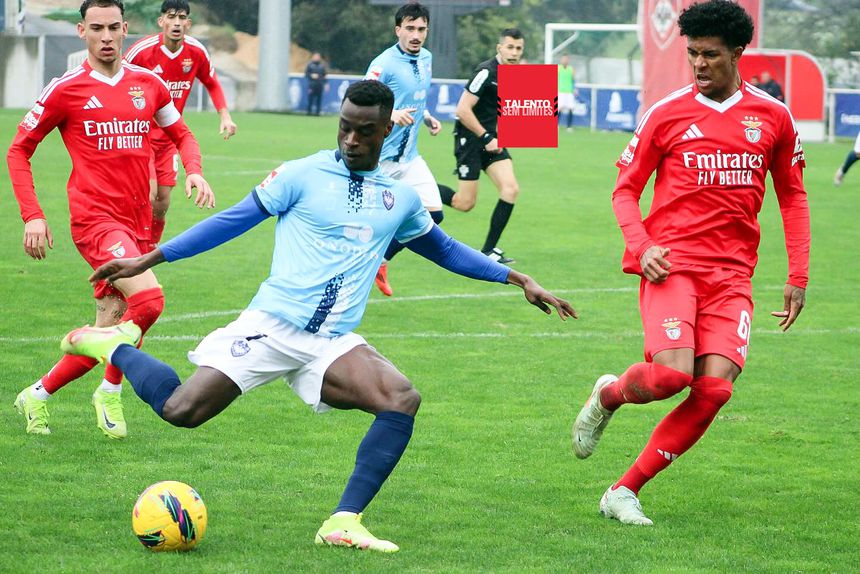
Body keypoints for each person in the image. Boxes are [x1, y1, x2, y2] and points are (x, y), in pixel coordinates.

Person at [61, 80, 576, 552]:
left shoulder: (399, 198)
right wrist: (150, 259)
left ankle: (343, 521)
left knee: (400, 399)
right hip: (271, 327)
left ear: (386, 128)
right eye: (345, 127)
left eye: (364, 131)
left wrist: (517, 278)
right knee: (180, 411)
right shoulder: (301, 173)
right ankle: (112, 346)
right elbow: (232, 220)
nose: (351, 139)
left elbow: (445, 249)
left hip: (331, 340)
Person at [571, 0, 809, 526]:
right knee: (673, 378)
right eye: (692, 54)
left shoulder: (773, 116)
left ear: (738, 53)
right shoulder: (667, 112)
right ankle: (610, 394)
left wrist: (798, 275)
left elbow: (792, 196)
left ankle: (622, 491)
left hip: (732, 277)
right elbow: (625, 191)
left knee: (716, 389)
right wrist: (643, 246)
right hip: (672, 266)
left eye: (710, 55)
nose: (699, 65)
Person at [7, 0, 214, 438]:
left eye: (113, 28)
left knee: (114, 323)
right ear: (82, 31)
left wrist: (193, 168)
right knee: (149, 302)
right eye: (96, 28)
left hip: (139, 220)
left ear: (125, 30)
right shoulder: (66, 88)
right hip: (95, 222)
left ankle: (37, 395)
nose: (105, 36)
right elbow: (18, 150)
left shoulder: (148, 83)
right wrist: (33, 216)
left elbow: (181, 133)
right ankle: (110, 391)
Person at [124, 0, 236, 246]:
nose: (176, 22)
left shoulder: (195, 52)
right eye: (171, 16)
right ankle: (134, 248)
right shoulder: (141, 52)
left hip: (170, 139)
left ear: (188, 23)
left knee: (162, 201)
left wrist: (225, 115)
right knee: (148, 195)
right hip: (140, 137)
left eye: (181, 17)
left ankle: (149, 247)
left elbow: (212, 82)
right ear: (161, 21)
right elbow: (119, 79)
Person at [364, 2, 451, 297]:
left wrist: (425, 117)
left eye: (421, 29)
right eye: (410, 28)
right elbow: (359, 102)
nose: (416, 35)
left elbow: (416, 95)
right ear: (397, 29)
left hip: (410, 158)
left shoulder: (426, 57)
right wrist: (390, 115)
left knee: (434, 214)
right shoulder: (383, 63)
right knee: (365, 224)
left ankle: (382, 260)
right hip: (380, 161)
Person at [441, 28, 526, 264]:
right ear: (499, 48)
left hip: (493, 141)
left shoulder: (516, 74)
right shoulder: (485, 72)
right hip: (471, 140)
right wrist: (487, 137)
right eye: (509, 47)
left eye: (518, 48)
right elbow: (462, 110)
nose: (514, 52)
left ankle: (488, 250)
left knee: (511, 189)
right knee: (464, 203)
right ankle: (419, 188)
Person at [558, 54, 576, 132]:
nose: (564, 61)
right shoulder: (558, 68)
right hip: (560, 91)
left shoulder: (571, 69)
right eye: (563, 59)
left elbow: (573, 80)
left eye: (566, 59)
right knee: (559, 108)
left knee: (571, 108)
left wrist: (574, 88)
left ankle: (569, 126)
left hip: (569, 91)